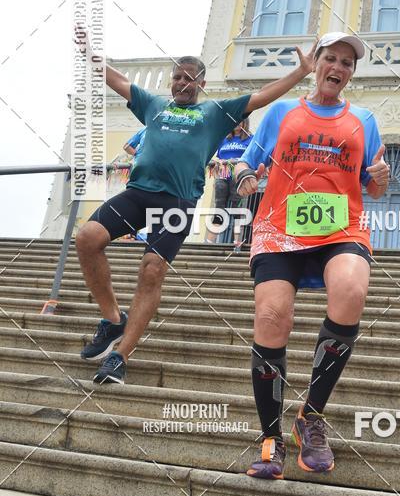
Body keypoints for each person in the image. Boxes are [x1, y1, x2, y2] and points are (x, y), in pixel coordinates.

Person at [74, 26, 316, 384]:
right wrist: (90, 52)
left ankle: (120, 356)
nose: (181, 84)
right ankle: (113, 320)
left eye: (189, 79)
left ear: (201, 83)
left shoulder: (215, 114)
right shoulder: (154, 105)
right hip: (138, 192)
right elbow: (119, 80)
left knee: (152, 269)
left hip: (177, 201)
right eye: (177, 78)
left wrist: (300, 72)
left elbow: (261, 96)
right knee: (86, 238)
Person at [235, 32, 390, 480]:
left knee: (351, 289)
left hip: (341, 228)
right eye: (331, 58)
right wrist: (246, 176)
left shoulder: (364, 120)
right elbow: (249, 161)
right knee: (272, 317)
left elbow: (375, 187)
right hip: (280, 228)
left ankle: (311, 417)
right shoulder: (283, 111)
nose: (338, 68)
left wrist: (380, 176)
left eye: (347, 62)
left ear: (351, 73)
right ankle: (270, 437)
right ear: (316, 61)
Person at [207, 119, 253, 245]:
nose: (237, 123)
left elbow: (252, 156)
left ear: (245, 123)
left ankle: (236, 241)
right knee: (219, 207)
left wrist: (236, 160)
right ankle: (209, 242)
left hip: (237, 175)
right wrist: (218, 163)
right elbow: (218, 157)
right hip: (224, 174)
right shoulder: (224, 139)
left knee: (238, 209)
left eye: (240, 121)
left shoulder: (250, 139)